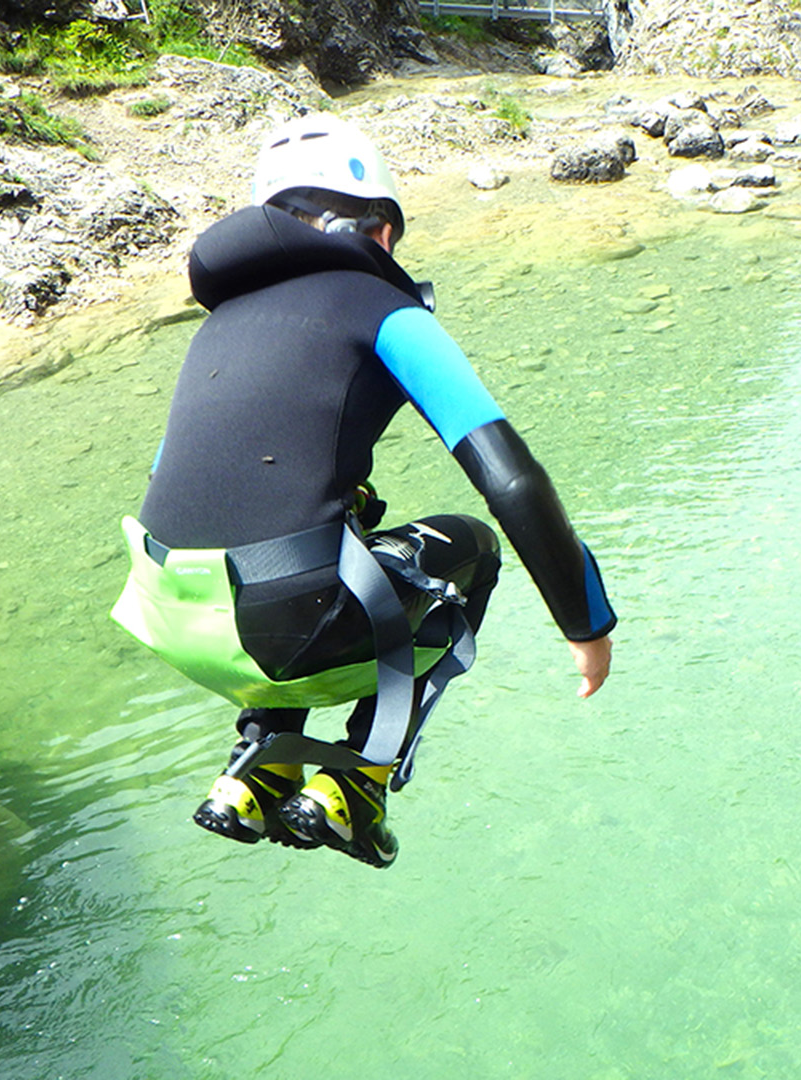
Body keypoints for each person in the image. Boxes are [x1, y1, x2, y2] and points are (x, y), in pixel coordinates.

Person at [111, 113, 617, 869]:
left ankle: (260, 769)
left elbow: (193, 486)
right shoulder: (383, 305)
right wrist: (587, 622)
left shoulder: (215, 329)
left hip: (167, 611)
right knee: (469, 546)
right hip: (283, 621)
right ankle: (361, 783)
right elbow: (509, 474)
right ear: (381, 231)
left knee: (313, 530)